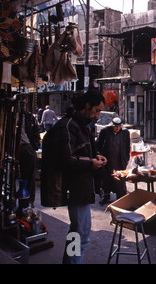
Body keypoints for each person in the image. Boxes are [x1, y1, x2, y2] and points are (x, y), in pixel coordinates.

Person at [42, 90, 107, 264]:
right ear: (87, 106)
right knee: (81, 235)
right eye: (97, 110)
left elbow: (83, 152)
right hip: (75, 189)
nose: (97, 115)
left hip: (81, 187)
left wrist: (96, 157)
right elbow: (65, 159)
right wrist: (90, 163)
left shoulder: (81, 125)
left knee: (77, 232)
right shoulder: (68, 125)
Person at [96, 117, 130, 204]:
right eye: (115, 126)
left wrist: (127, 158)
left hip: (119, 160)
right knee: (106, 179)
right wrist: (99, 156)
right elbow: (98, 144)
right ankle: (105, 196)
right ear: (112, 125)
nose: (117, 128)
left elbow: (127, 146)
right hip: (107, 160)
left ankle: (121, 198)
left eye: (118, 127)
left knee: (119, 179)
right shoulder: (105, 131)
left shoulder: (125, 132)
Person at [18, 97, 41, 207]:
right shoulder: (9, 115)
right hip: (12, 148)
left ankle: (28, 202)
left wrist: (33, 147)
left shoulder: (29, 117)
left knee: (28, 177)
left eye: (23, 103)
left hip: (26, 147)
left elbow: (36, 132)